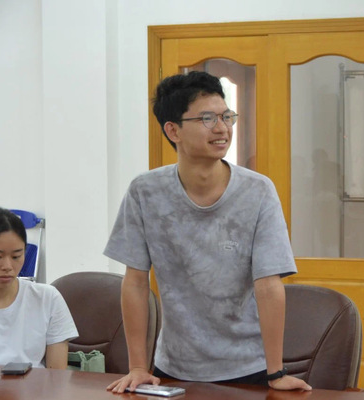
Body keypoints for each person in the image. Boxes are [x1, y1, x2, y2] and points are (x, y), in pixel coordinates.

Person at [105, 71, 312, 393]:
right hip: (173, 367)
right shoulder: (145, 192)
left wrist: (276, 372)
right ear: (173, 130)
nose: (222, 128)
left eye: (226, 116)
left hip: (250, 368)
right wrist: (137, 368)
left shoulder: (258, 191)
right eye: (207, 119)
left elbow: (269, 285)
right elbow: (135, 282)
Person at [0, 208, 78, 369]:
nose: (7, 266)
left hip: (37, 385)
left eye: (16, 256)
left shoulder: (47, 299)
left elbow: (56, 375)